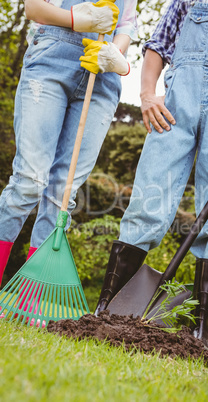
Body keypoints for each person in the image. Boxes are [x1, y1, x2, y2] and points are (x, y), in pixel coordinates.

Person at [95, 0, 208, 348]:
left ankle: (198, 330)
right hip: (175, 102)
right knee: (148, 198)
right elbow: (158, 45)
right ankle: (106, 309)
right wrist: (146, 95)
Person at [0, 1, 137, 304]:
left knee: (62, 194)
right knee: (28, 180)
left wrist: (114, 53)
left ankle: (31, 301)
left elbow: (127, 24)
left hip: (102, 76)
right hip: (51, 59)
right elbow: (34, 8)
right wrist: (78, 18)